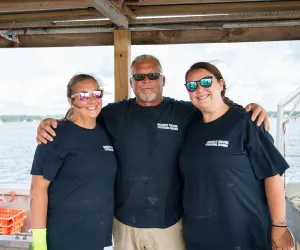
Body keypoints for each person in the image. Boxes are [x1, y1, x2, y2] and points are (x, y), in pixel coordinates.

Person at [36, 55, 269, 250]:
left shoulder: (185, 112)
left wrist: (249, 110)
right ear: (131, 82)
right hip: (124, 224)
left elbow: (216, 110)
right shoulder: (113, 114)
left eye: (153, 75)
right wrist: (53, 122)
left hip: (169, 223)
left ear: (163, 80)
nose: (146, 81)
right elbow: (83, 119)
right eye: (139, 76)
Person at [179, 62, 294, 250]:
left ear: (221, 84)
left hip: (244, 234)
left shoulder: (246, 122)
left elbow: (272, 174)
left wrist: (279, 225)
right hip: (199, 235)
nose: (200, 89)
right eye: (192, 85)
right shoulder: (189, 127)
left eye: (206, 82)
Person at [30, 74, 117, 250]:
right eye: (83, 96)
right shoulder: (54, 135)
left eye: (96, 94)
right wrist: (39, 242)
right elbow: (38, 189)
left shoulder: (106, 132)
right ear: (71, 101)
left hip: (96, 236)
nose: (92, 100)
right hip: (64, 236)